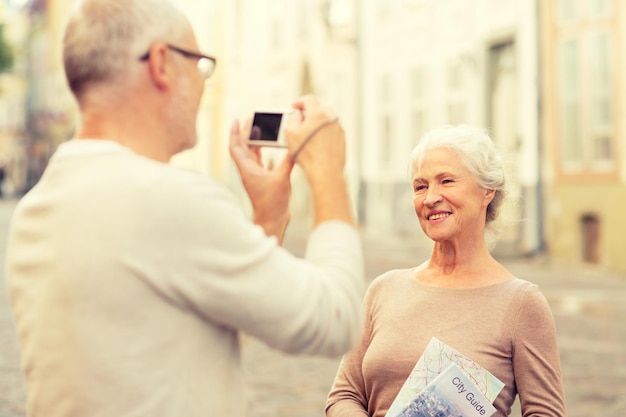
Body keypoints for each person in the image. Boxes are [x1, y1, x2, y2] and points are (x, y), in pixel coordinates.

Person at [5, 0, 365, 416]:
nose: (202, 83)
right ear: (162, 64)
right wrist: (329, 174)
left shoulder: (36, 210)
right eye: (200, 63)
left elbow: (195, 333)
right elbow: (334, 320)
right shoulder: (167, 197)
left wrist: (267, 218)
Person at [325, 125, 566, 417]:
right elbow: (344, 395)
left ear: (487, 190)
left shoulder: (521, 303)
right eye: (420, 186)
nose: (430, 198)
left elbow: (546, 412)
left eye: (447, 181)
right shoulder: (384, 289)